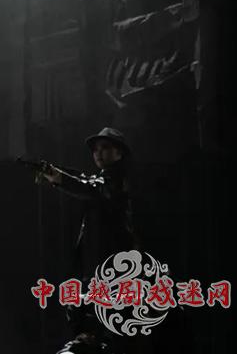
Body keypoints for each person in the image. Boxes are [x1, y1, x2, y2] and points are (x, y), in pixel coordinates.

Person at [41, 127, 138, 354]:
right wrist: (55, 173)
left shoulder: (116, 179)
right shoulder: (104, 179)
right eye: (95, 149)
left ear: (119, 153)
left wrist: (58, 177)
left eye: (105, 148)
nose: (98, 153)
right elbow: (84, 180)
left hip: (115, 267)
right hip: (102, 266)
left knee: (110, 331)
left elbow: (89, 187)